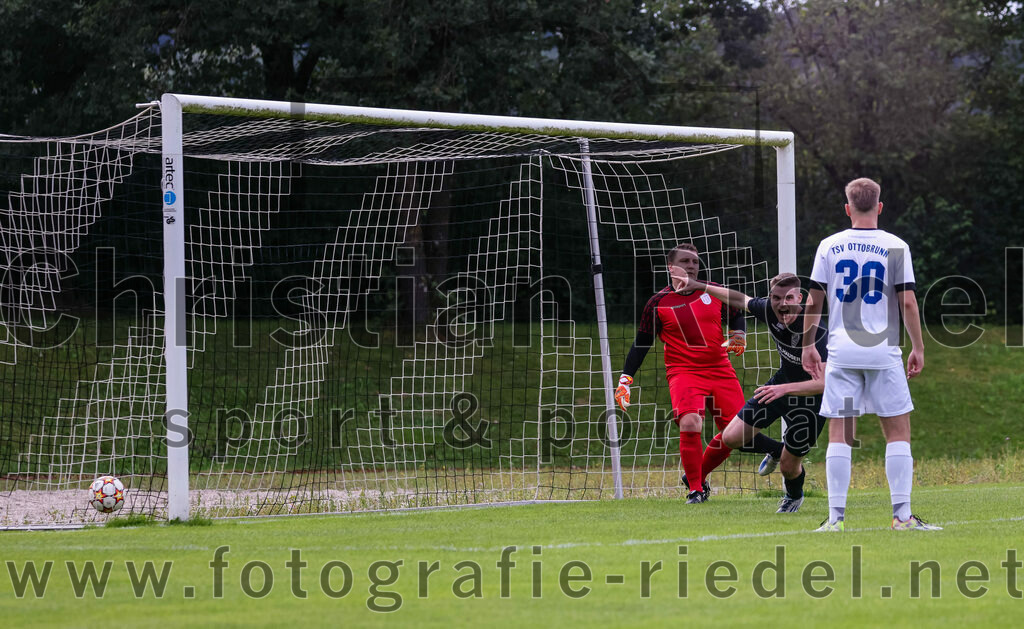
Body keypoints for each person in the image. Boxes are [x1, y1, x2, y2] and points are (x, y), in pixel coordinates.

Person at [802, 177, 940, 532]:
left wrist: (806, 345)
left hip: (843, 355)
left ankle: (835, 519)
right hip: (882, 354)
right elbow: (907, 301)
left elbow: (814, 301)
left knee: (841, 433)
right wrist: (918, 347)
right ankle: (902, 517)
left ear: (847, 208)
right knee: (897, 432)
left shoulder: (829, 247)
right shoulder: (896, 246)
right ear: (879, 207)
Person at [615, 242, 753, 504]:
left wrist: (739, 333)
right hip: (684, 372)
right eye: (685, 261)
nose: (691, 266)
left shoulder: (712, 291)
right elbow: (642, 342)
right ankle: (696, 490)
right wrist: (625, 379)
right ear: (671, 267)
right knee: (691, 422)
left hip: (721, 370)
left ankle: (694, 475)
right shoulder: (658, 302)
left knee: (737, 433)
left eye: (695, 262)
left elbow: (736, 312)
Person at [678, 272, 827, 513]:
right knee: (732, 437)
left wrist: (783, 389)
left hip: (811, 401)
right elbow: (739, 299)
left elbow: (825, 384)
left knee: (789, 468)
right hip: (779, 387)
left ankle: (794, 495)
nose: (782, 304)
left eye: (789, 297)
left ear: (800, 297)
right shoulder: (770, 309)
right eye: (776, 298)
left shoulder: (816, 332)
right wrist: (700, 286)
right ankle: (776, 450)